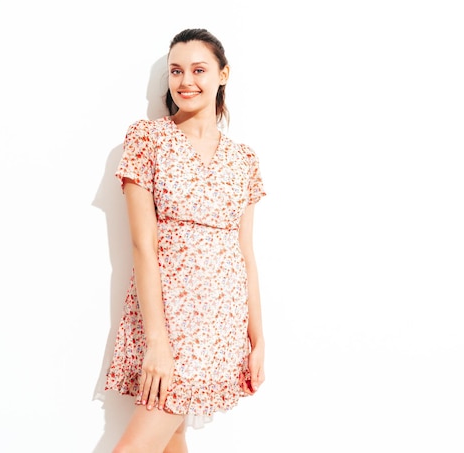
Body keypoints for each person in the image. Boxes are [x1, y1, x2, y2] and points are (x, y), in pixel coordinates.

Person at [104, 28, 266, 453]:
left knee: (172, 438)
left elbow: (246, 255)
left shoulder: (244, 159)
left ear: (223, 74)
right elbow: (143, 245)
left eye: (198, 69)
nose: (185, 81)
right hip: (169, 320)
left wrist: (258, 339)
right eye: (176, 71)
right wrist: (157, 340)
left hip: (223, 321)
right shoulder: (148, 140)